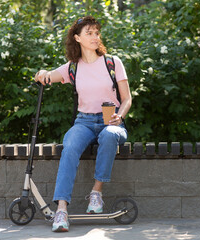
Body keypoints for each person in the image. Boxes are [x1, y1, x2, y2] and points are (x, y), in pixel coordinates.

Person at [34, 16, 132, 232]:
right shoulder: (73, 68)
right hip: (84, 121)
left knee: (109, 135)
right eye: (89, 33)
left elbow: (127, 99)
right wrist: (42, 74)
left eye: (97, 32)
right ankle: (61, 209)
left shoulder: (112, 62)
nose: (95, 37)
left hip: (111, 121)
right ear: (77, 38)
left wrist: (120, 116)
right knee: (69, 145)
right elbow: (49, 76)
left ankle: (96, 193)